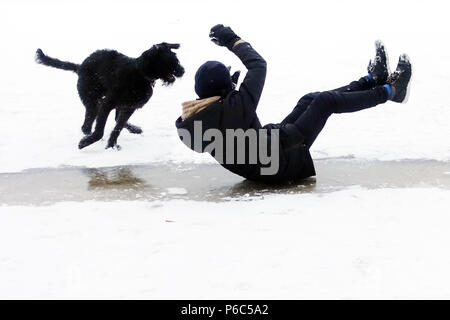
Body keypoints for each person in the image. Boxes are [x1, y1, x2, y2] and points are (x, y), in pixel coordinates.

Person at [175, 24, 412, 183]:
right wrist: (232, 41)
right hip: (280, 162)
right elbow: (258, 65)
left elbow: (229, 125)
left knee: (309, 100)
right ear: (223, 90)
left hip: (267, 157)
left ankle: (371, 80)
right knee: (324, 102)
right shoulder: (234, 108)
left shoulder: (200, 117)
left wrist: (229, 90)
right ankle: (391, 91)